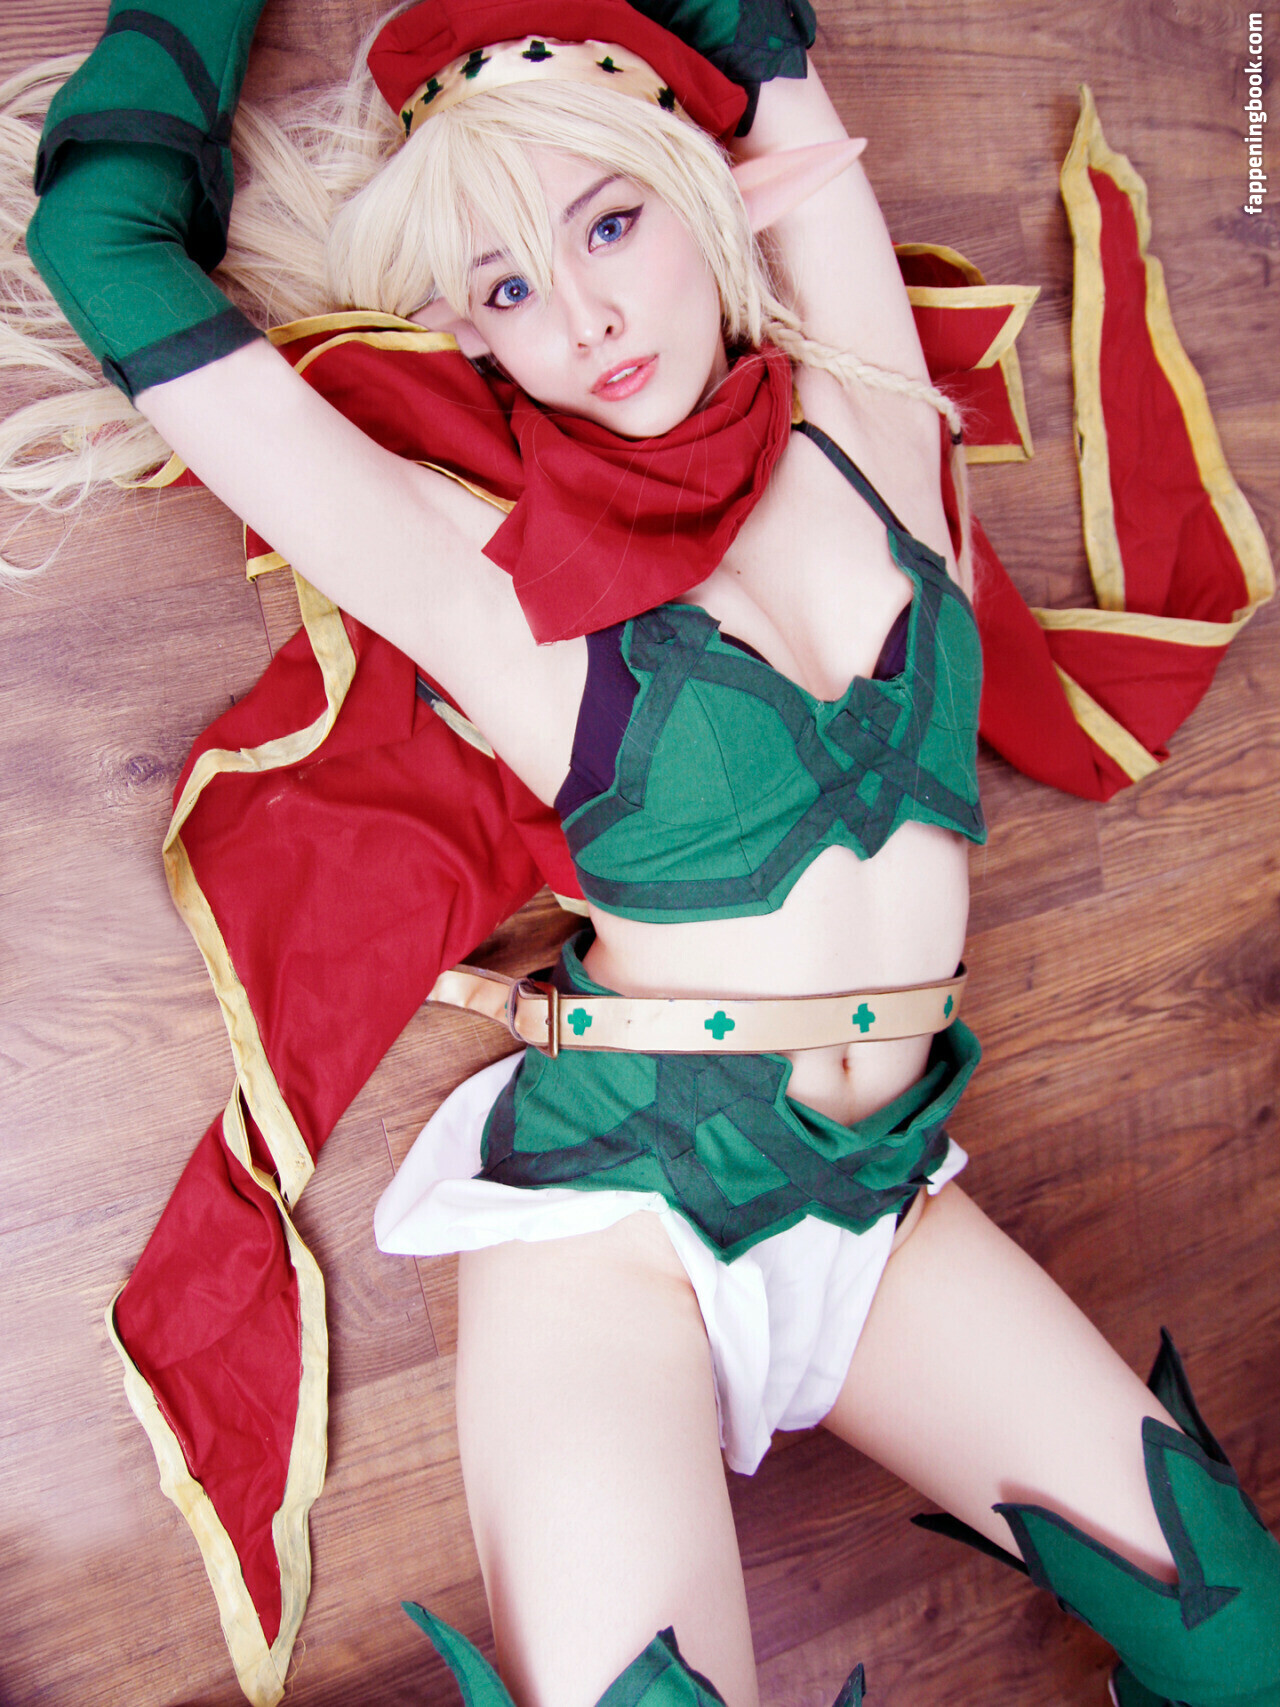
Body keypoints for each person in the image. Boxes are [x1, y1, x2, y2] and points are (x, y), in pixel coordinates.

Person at [6, 2, 1278, 1703]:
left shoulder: (872, 416)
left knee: (1246, 1645)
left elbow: (759, 38)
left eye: (609, 224)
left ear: (705, 191)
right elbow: (100, 238)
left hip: (879, 1196)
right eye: (507, 288)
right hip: (618, 1222)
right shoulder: (481, 576)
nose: (585, 318)